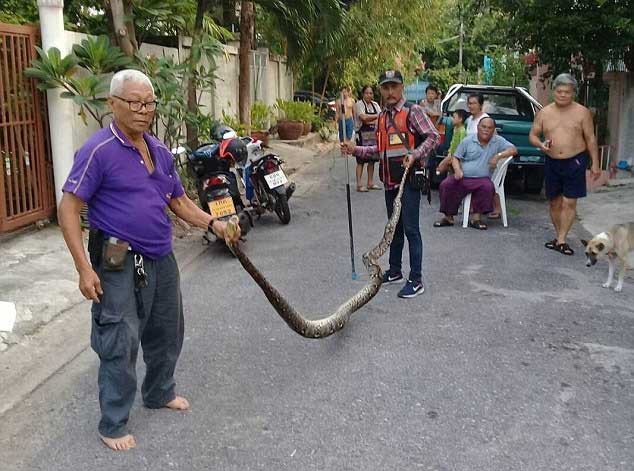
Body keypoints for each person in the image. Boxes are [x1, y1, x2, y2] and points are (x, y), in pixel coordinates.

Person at [57, 70, 240, 451]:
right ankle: (113, 423)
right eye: (135, 103)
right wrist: (83, 268)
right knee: (120, 338)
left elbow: (178, 201)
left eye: (150, 104)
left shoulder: (157, 150)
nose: (144, 111)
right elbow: (69, 208)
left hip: (161, 255)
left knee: (167, 330)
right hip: (116, 260)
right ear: (113, 105)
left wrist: (214, 223)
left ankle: (158, 391)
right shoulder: (98, 150)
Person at [342, 70, 439, 298]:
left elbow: (433, 136)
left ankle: (416, 279)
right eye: (385, 88)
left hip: (408, 182)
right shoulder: (382, 117)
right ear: (381, 91)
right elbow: (378, 149)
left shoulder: (413, 112)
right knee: (393, 229)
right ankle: (395, 271)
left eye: (394, 86)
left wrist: (415, 154)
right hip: (389, 183)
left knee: (411, 230)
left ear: (402, 87)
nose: (390, 92)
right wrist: (354, 149)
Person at [529, 73, 601, 256]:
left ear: (573, 93)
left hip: (575, 160)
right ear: (554, 91)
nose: (563, 95)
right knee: (554, 202)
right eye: (559, 91)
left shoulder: (582, 112)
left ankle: (562, 240)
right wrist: (541, 144)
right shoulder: (544, 112)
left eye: (567, 92)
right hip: (552, 161)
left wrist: (595, 163)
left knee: (569, 201)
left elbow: (591, 138)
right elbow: (533, 135)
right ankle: (558, 235)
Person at [434, 117, 517, 230]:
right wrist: (457, 170)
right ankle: (448, 218)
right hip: (463, 176)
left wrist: (498, 156)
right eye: (483, 127)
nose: (486, 130)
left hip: (482, 178)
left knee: (487, 187)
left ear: (493, 130)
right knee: (446, 184)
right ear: (478, 127)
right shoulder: (468, 140)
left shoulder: (497, 140)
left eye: (489, 128)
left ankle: (476, 219)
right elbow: (455, 158)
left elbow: (514, 150)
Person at [353, 85, 382, 191]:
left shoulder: (375, 104)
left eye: (371, 93)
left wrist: (375, 118)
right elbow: (363, 118)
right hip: (362, 135)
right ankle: (359, 185)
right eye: (367, 93)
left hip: (373, 136)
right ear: (363, 94)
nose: (369, 95)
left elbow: (380, 119)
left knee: (372, 160)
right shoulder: (359, 105)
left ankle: (370, 183)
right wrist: (377, 116)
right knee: (360, 160)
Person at [436, 109, 467, 175]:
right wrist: (450, 152)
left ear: (460, 119)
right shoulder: (455, 128)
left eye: (454, 117)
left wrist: (457, 157)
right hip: (451, 154)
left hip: (456, 156)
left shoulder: (462, 131)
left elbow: (462, 144)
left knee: (441, 167)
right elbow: (452, 142)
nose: (452, 119)